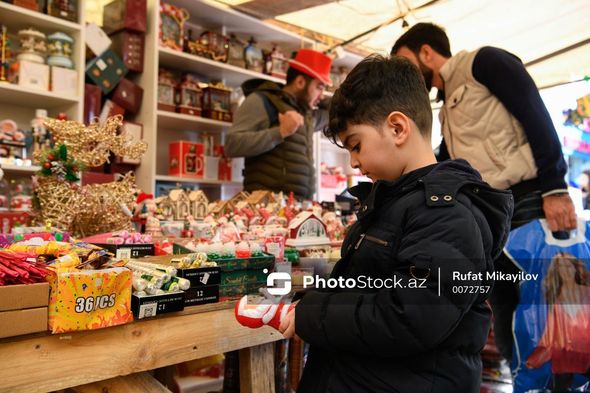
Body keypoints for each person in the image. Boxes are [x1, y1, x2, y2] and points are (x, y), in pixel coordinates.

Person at [277, 55, 513, 393]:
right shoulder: (393, 204)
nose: (355, 162)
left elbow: (409, 316)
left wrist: (313, 316)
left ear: (398, 128)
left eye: (356, 146)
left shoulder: (446, 215)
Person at [391, 22, 577, 362]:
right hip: (492, 218)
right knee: (505, 307)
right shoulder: (446, 109)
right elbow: (444, 160)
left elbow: (535, 113)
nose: (404, 72)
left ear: (427, 53)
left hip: (529, 202)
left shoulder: (484, 63)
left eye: (405, 61)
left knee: (546, 310)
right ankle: (521, 379)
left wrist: (554, 187)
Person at [224, 49, 332, 199]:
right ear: (300, 82)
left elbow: (334, 113)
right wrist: (280, 132)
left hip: (299, 206)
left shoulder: (307, 115)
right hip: (266, 208)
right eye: (319, 87)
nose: (322, 94)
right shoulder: (262, 100)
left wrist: (321, 96)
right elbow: (231, 145)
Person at [526, 252, 590, 391]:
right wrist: (537, 358)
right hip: (565, 356)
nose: (565, 271)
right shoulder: (556, 301)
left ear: (575, 268)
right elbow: (550, 334)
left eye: (568, 266)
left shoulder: (588, 293)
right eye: (561, 267)